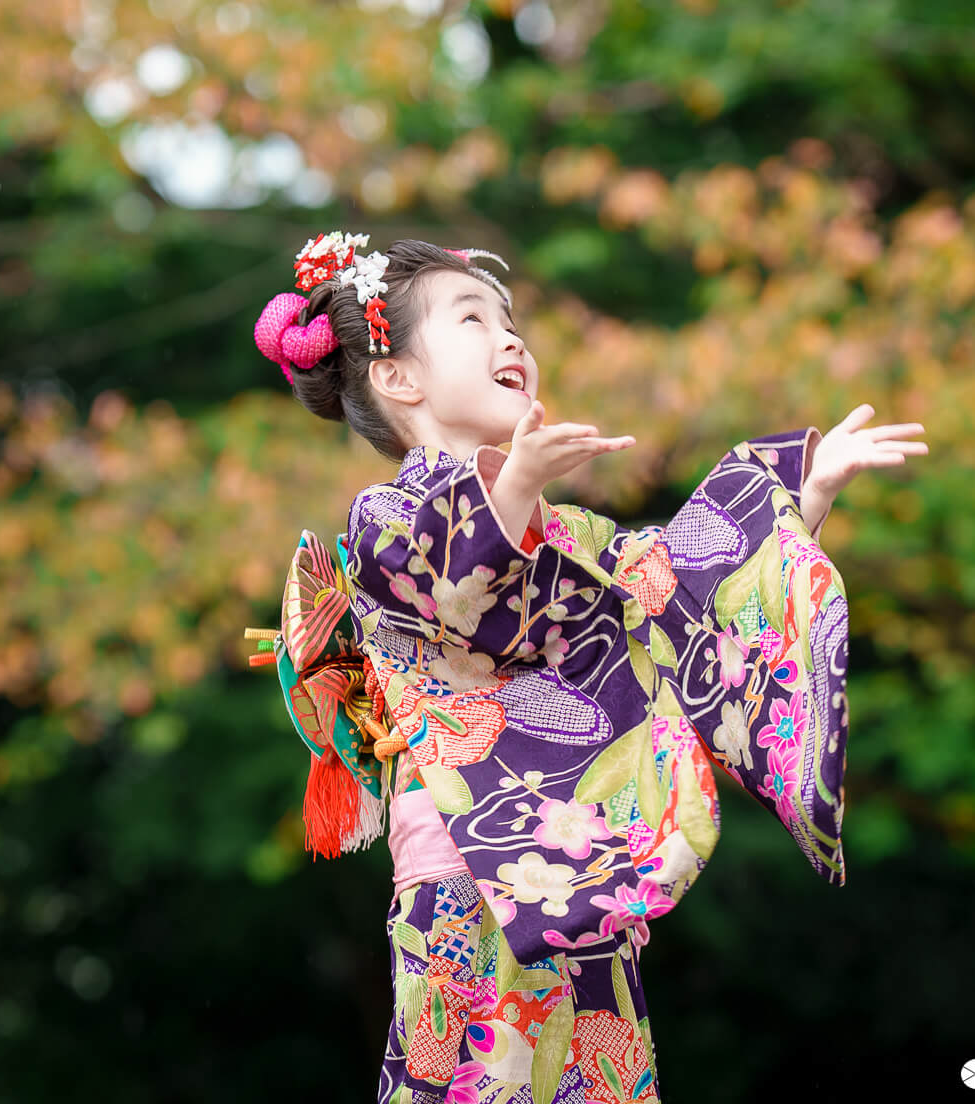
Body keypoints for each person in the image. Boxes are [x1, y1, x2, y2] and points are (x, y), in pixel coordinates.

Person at [248, 232, 927, 1104]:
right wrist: (512, 488)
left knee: (603, 1081)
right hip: (471, 871)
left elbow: (679, 580)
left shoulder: (569, 532)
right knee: (471, 1083)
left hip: (580, 874)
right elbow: (452, 588)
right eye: (472, 319)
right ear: (398, 378)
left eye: (510, 322)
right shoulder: (389, 517)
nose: (511, 340)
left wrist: (805, 492)